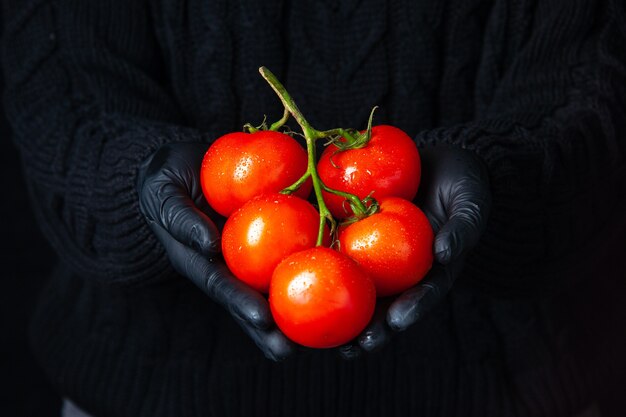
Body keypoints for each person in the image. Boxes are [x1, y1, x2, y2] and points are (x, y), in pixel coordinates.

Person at [2, 0, 625, 416]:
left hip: (510, 389)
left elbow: (593, 87)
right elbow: (63, 93)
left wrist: (504, 180)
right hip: (144, 387)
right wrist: (134, 180)